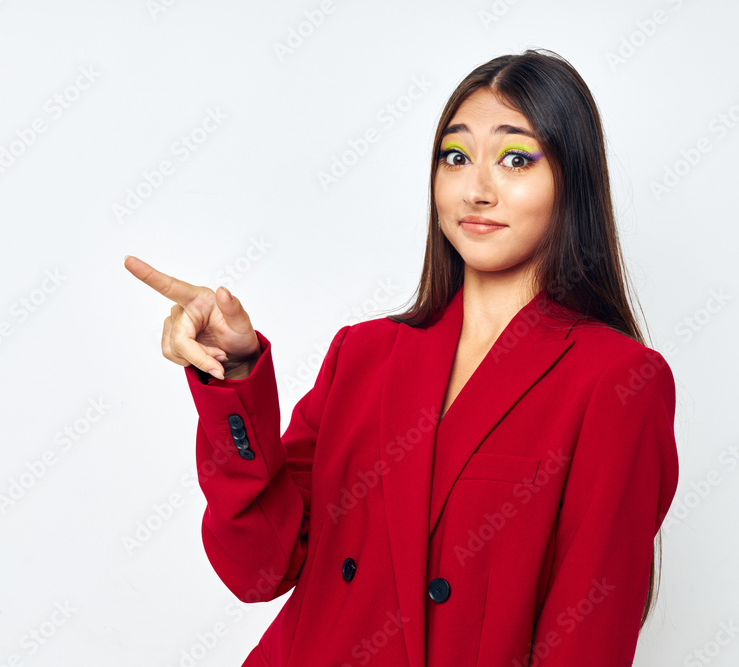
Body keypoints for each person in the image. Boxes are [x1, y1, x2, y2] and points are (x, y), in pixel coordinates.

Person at [125, 48, 679, 666]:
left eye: (516, 159)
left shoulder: (617, 381)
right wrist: (233, 374)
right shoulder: (363, 354)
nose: (477, 190)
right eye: (456, 157)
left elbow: (587, 639)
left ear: (572, 183)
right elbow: (258, 569)